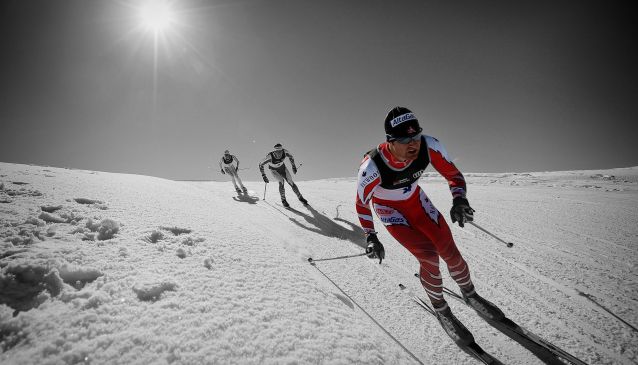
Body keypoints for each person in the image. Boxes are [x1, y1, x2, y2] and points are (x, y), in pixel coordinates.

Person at [355, 106, 503, 345]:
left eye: (416, 136)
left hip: (418, 203)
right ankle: (441, 308)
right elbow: (362, 203)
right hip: (391, 212)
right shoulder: (371, 167)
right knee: (429, 256)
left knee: (451, 253)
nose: (413, 143)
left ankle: (471, 294)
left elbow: (454, 175)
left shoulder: (429, 145)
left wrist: (460, 199)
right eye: (404, 139)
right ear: (390, 141)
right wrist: (371, 236)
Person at [259, 143, 307, 208]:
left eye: (280, 151)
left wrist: (293, 167)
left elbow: (291, 157)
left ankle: (300, 197)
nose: (279, 153)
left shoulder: (285, 152)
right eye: (277, 151)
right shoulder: (270, 156)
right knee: (281, 181)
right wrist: (263, 175)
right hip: (274, 170)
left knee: (291, 182)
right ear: (274, 151)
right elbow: (260, 164)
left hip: (283, 168)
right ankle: (283, 200)